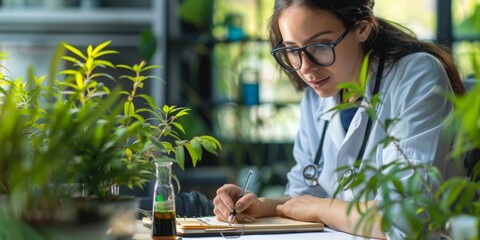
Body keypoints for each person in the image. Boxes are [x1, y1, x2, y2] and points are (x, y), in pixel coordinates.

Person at [213, 0, 465, 239]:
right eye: (292, 50)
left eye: (320, 46)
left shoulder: (416, 75)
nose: (305, 68)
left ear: (362, 28)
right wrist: (263, 206)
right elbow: (306, 197)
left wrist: (321, 208)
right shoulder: (318, 94)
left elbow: (405, 219)